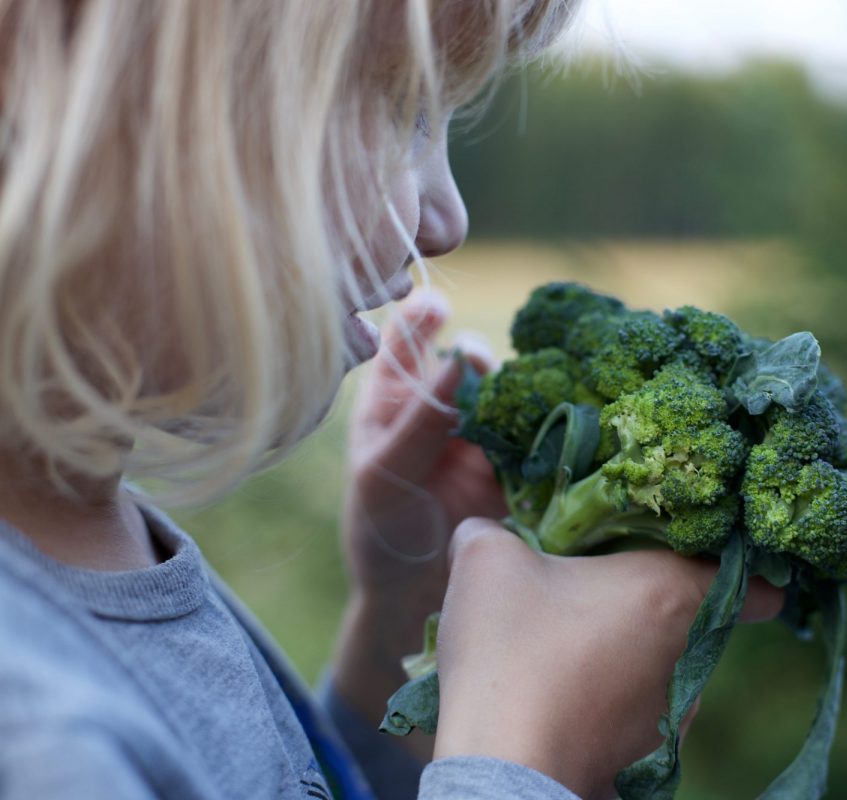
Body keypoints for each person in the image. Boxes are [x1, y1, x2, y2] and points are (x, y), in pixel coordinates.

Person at [0, 2, 781, 799]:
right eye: (406, 110)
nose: (446, 217)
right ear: (122, 109)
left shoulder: (82, 534)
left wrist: (405, 624)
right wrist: (525, 764)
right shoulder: (35, 737)